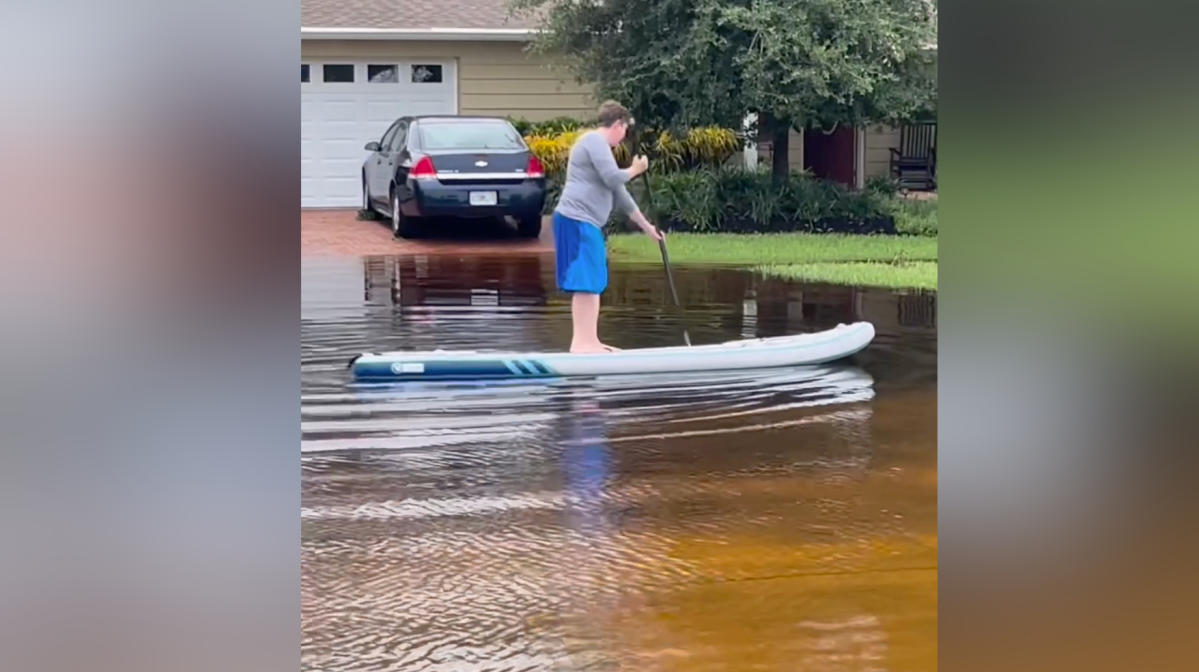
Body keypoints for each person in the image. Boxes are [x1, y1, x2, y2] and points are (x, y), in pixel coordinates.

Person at [551, 100, 663, 354]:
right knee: (586, 282)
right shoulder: (593, 142)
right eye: (625, 130)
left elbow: (619, 192)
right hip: (576, 220)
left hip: (586, 223)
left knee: (593, 281)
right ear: (619, 124)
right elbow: (615, 177)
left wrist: (648, 228)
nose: (624, 137)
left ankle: (590, 341)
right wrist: (635, 169)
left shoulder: (601, 150)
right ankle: (582, 344)